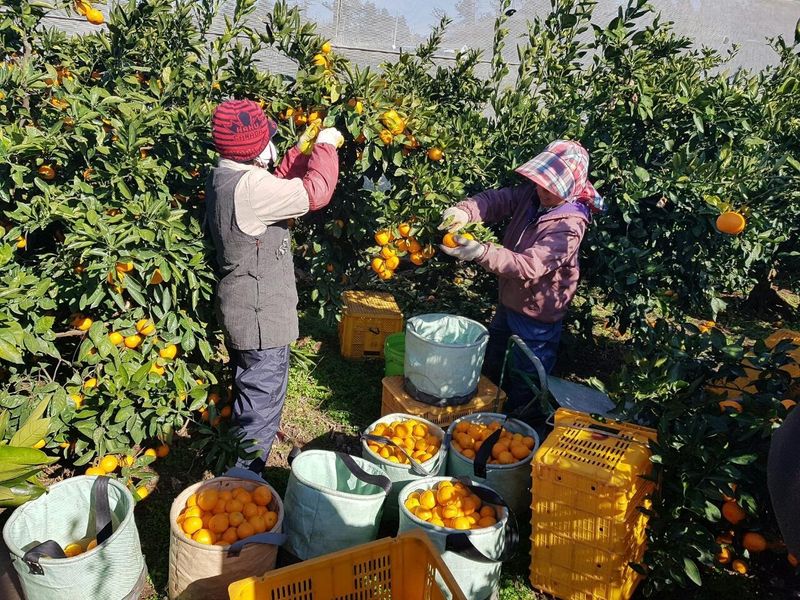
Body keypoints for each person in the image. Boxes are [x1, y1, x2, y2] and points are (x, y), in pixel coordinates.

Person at [206, 99, 343, 471]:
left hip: (241, 311)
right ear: (253, 147)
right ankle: (241, 485)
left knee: (250, 395)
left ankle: (235, 472)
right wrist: (326, 146)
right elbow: (316, 192)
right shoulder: (251, 187)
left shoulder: (224, 176)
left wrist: (300, 153)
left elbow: (276, 185)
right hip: (262, 319)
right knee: (260, 410)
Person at [438, 139, 604, 423]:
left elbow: (530, 265)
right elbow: (497, 201)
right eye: (540, 184)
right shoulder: (533, 195)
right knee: (496, 355)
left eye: (550, 189)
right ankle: (488, 408)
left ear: (569, 190)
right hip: (510, 297)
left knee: (528, 372)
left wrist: (480, 252)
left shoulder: (569, 226)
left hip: (538, 313)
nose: (542, 192)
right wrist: (466, 211)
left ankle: (522, 424)